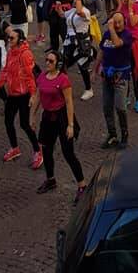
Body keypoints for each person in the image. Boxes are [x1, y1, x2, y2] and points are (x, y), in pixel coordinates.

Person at [29, 51, 86, 201]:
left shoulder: (63, 80)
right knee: (46, 150)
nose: (47, 63)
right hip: (48, 118)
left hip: (61, 118)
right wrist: (32, 116)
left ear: (58, 64)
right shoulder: (41, 77)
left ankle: (82, 185)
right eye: (46, 60)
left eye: (50, 61)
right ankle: (51, 179)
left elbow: (69, 103)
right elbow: (37, 98)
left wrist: (70, 125)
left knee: (68, 153)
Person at [0, 29, 42, 168]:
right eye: (8, 38)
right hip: (12, 94)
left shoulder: (25, 54)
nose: (9, 40)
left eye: (12, 38)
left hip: (24, 95)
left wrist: (32, 95)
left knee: (25, 124)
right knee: (8, 121)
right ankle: (15, 148)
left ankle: (38, 150)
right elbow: (6, 71)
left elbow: (30, 76)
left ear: (20, 40)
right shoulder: (10, 52)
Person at [95, 12, 133, 149]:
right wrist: (95, 69)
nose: (116, 25)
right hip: (107, 75)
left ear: (124, 22)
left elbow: (117, 43)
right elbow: (101, 51)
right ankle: (112, 134)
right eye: (114, 22)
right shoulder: (106, 35)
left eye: (119, 22)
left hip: (120, 76)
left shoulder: (127, 35)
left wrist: (111, 29)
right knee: (106, 107)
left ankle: (124, 134)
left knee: (120, 107)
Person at [62, 0, 94, 101]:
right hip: (69, 42)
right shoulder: (72, 11)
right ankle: (63, 88)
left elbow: (80, 12)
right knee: (63, 63)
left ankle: (89, 89)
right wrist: (57, 7)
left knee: (82, 66)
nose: (75, 1)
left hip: (81, 42)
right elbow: (62, 14)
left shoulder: (86, 11)